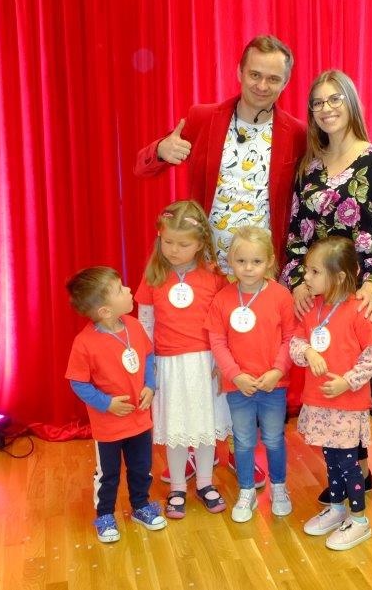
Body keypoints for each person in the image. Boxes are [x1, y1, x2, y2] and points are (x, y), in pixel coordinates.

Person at [135, 34, 307, 486]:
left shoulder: (295, 132)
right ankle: (197, 446)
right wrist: (161, 150)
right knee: (205, 362)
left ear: (285, 82)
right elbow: (142, 166)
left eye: (273, 78)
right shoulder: (203, 118)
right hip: (203, 270)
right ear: (239, 72)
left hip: (258, 273)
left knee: (249, 362)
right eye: (255, 74)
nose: (262, 85)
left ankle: (239, 449)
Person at [281, 69, 372, 542]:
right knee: (331, 383)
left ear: (350, 104)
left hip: (361, 295)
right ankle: (357, 477)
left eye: (334, 99)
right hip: (318, 300)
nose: (326, 109)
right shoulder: (308, 166)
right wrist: (297, 281)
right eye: (318, 102)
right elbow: (296, 234)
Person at [135, 200, 232, 518]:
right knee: (174, 427)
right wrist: (148, 366)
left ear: (201, 243)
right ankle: (177, 485)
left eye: (183, 244)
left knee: (205, 425)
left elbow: (223, 323)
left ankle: (205, 482)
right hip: (169, 365)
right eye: (168, 242)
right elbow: (145, 324)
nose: (174, 250)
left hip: (205, 364)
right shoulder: (154, 276)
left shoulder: (214, 277)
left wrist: (223, 362)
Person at [64, 266, 167, 543]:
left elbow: (147, 356)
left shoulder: (134, 326)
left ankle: (141, 506)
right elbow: (78, 383)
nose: (129, 290)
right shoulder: (84, 343)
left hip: (139, 419)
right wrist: (106, 403)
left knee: (141, 466)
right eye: (121, 289)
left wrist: (150, 386)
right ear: (105, 311)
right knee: (108, 474)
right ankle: (105, 514)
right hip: (109, 426)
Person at [291, 236, 372, 550]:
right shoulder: (312, 308)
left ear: (339, 276)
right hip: (320, 401)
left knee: (348, 463)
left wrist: (347, 381)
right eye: (307, 270)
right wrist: (309, 353)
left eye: (315, 272)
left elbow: (371, 358)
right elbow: (296, 343)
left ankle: (359, 521)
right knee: (330, 459)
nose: (306, 277)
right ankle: (337, 508)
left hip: (348, 404)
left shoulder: (359, 311)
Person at [205, 226, 296, 523]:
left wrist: (277, 370)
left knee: (273, 439)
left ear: (269, 261)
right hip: (239, 386)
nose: (248, 268)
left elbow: (290, 338)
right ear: (230, 261)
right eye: (241, 261)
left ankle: (279, 487)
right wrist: (234, 375)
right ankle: (246, 490)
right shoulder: (223, 299)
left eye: (256, 261)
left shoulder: (281, 296)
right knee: (243, 441)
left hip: (273, 385)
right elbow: (217, 341)